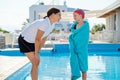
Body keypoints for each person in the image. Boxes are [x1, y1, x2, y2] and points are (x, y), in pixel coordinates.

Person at [18, 7, 61, 80]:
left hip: (32, 41)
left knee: (36, 62)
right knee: (36, 62)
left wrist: (38, 51)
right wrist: (36, 53)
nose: (60, 17)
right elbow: (37, 39)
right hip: (24, 41)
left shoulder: (52, 25)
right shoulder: (44, 23)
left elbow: (43, 38)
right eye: (59, 15)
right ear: (53, 15)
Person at [68, 9, 90, 80]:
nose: (74, 17)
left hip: (82, 50)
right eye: (73, 15)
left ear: (81, 15)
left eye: (75, 15)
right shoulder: (74, 26)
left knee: (84, 69)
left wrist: (80, 47)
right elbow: (72, 37)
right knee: (74, 67)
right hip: (74, 50)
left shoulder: (86, 26)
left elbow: (84, 38)